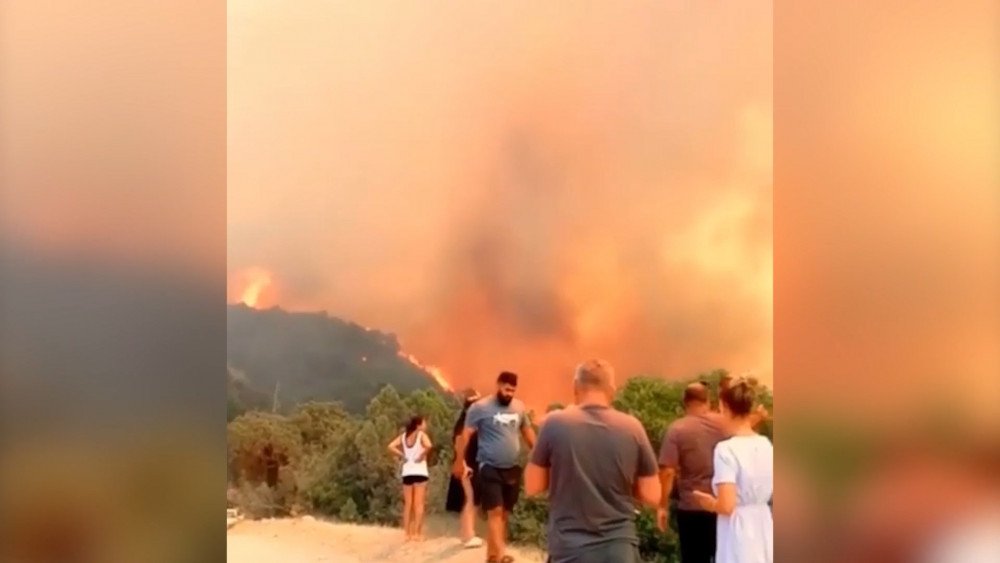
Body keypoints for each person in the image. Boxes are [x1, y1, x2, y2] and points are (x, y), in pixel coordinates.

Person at [524, 359, 661, 563]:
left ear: (575, 388)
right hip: (619, 549)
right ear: (612, 390)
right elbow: (653, 495)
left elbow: (532, 486)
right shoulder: (633, 428)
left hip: (570, 550)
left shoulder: (555, 423)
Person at [453, 372, 536, 563]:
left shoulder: (519, 407)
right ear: (498, 385)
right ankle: (501, 555)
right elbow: (464, 435)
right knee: (495, 513)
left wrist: (540, 455)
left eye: (513, 391)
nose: (509, 394)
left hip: (513, 468)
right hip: (489, 467)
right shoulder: (479, 408)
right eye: (507, 389)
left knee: (504, 515)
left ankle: (491, 557)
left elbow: (527, 432)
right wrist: (459, 461)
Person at [691, 378, 774, 563]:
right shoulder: (766, 445)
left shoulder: (726, 450)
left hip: (738, 529)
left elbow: (727, 505)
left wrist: (709, 503)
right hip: (763, 523)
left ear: (726, 409)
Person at [657, 383, 726, 563]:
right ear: (708, 401)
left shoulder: (677, 429)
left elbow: (667, 472)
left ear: (685, 402)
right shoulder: (725, 424)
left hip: (691, 509)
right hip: (722, 505)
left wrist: (662, 506)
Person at [445, 389, 485, 549]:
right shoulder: (464, 424)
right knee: (470, 499)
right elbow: (458, 443)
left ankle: (467, 534)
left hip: (471, 463)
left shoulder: (468, 422)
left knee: (472, 500)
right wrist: (463, 465)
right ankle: (468, 536)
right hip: (467, 465)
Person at [387, 415, 433, 542]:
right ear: (418, 425)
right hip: (420, 471)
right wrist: (422, 455)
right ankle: (417, 534)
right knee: (419, 504)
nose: (425, 425)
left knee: (408, 504)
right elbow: (429, 445)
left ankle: (407, 533)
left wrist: (403, 455)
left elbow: (390, 446)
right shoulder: (421, 435)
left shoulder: (404, 436)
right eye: (424, 423)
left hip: (407, 471)